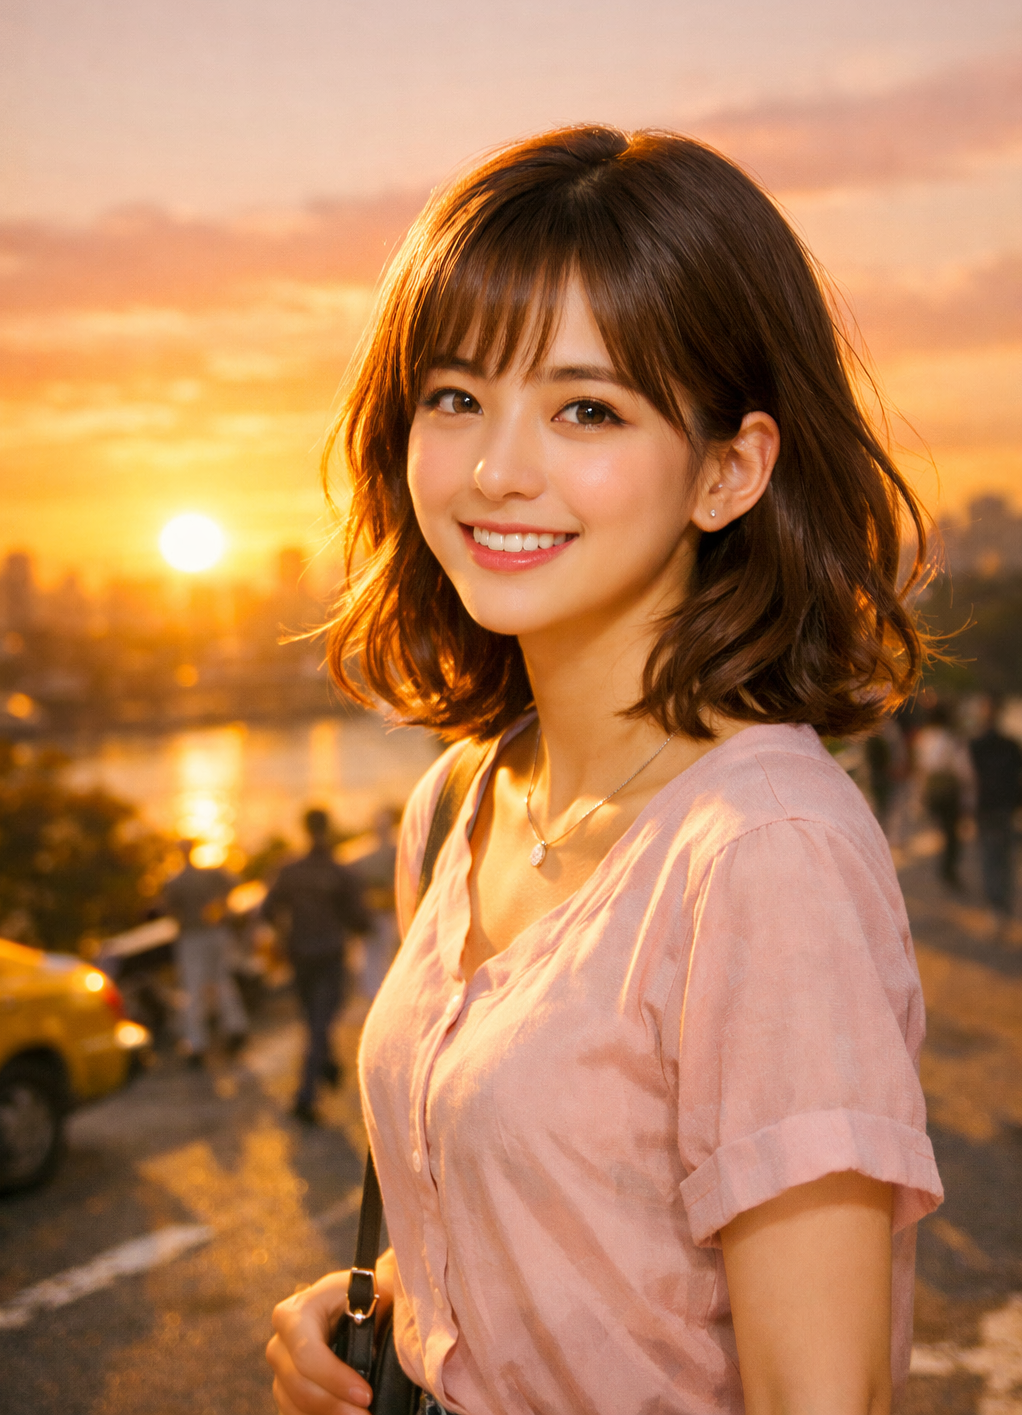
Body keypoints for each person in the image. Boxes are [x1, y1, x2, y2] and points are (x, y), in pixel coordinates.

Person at [267, 127, 943, 1414]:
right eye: (454, 396)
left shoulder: (762, 860)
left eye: (587, 408)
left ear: (728, 471)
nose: (496, 469)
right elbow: (573, 1244)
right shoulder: (461, 804)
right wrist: (391, 1304)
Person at [262, 808, 373, 1123]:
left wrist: (283, 936)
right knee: (319, 1024)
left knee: (315, 1020)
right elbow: (360, 920)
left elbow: (267, 910)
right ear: (330, 828)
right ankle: (306, 1096)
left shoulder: (289, 871)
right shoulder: (341, 873)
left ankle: (327, 1065)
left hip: (299, 955)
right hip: (330, 955)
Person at [160, 838, 248, 1065]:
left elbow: (168, 910)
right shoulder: (210, 875)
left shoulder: (176, 881)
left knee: (194, 988)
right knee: (222, 981)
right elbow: (235, 882)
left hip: (192, 937)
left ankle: (197, 1042)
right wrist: (221, 906)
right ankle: (234, 1027)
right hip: (215, 933)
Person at [968, 697, 1022, 929]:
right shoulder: (1011, 745)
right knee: (1005, 855)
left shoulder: (975, 745)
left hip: (985, 805)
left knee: (989, 856)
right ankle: (1004, 904)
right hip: (1005, 806)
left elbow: (969, 779)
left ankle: (995, 905)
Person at [914, 702, 972, 891]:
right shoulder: (951, 739)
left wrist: (919, 796)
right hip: (948, 790)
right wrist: (968, 796)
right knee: (952, 833)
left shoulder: (924, 738)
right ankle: (948, 871)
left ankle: (945, 869)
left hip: (932, 789)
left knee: (943, 831)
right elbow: (962, 770)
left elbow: (921, 769)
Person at [348, 807, 402, 1000]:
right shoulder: (364, 852)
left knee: (386, 954)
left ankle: (384, 994)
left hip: (393, 912)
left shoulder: (398, 848)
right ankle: (378, 995)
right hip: (375, 913)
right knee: (375, 955)